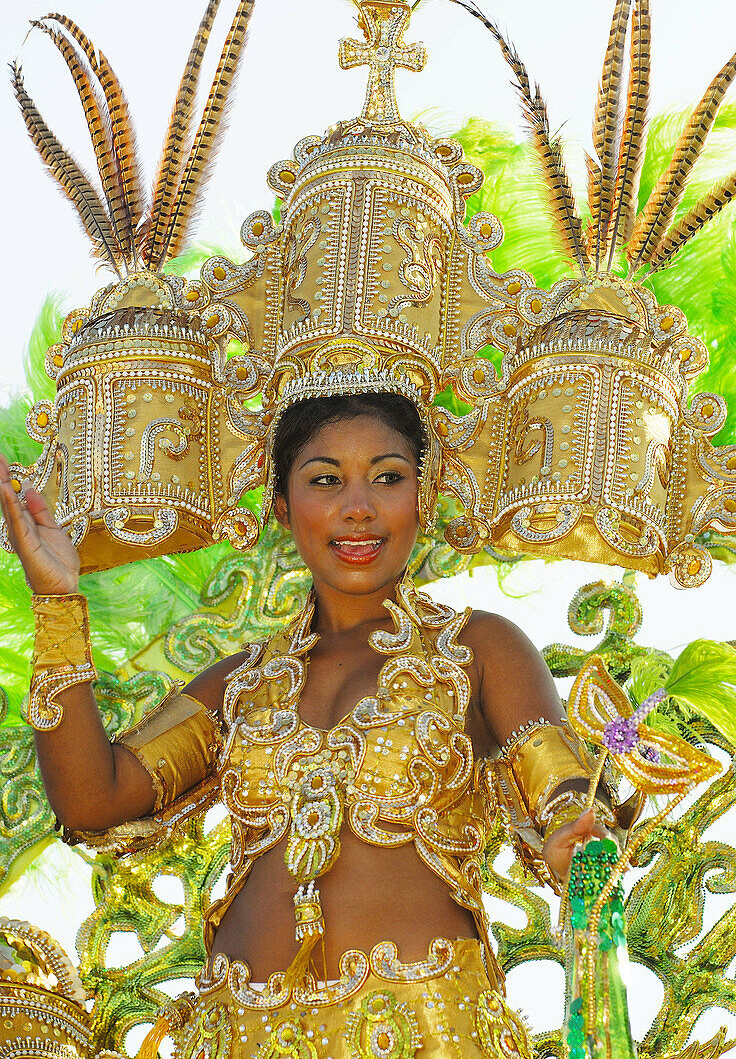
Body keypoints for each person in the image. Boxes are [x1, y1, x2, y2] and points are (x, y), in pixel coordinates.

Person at [0, 390, 617, 1059]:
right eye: (326, 480)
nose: (359, 507)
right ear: (282, 508)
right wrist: (59, 605)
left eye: (388, 477)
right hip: (239, 1034)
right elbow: (94, 799)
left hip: (426, 1031)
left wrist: (574, 833)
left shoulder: (478, 649)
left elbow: (563, 788)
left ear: (424, 498)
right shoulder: (239, 683)